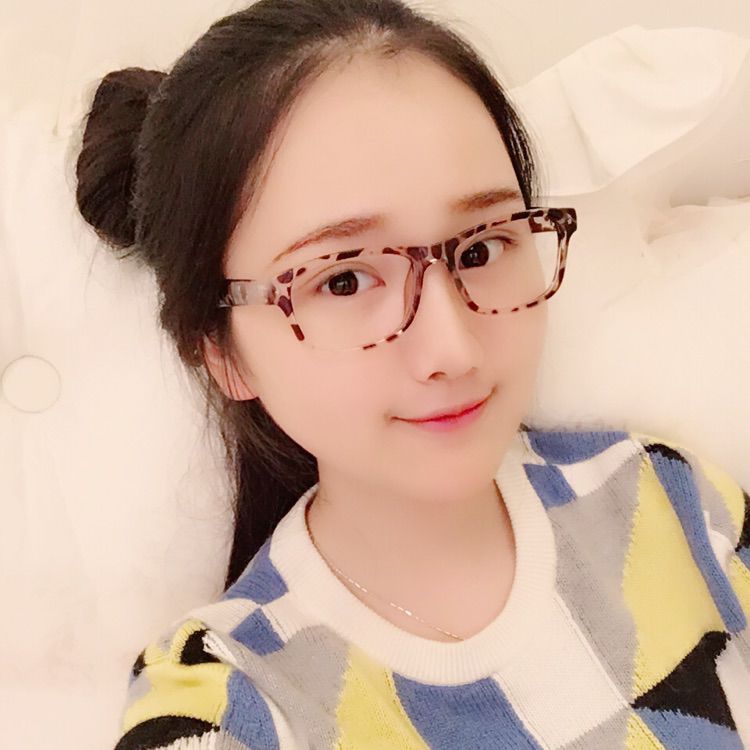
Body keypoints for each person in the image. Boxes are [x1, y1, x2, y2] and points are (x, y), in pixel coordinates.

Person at [74, 0, 750, 747]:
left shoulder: (668, 500)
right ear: (221, 350)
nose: (452, 349)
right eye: (343, 280)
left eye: (482, 249)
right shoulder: (227, 700)